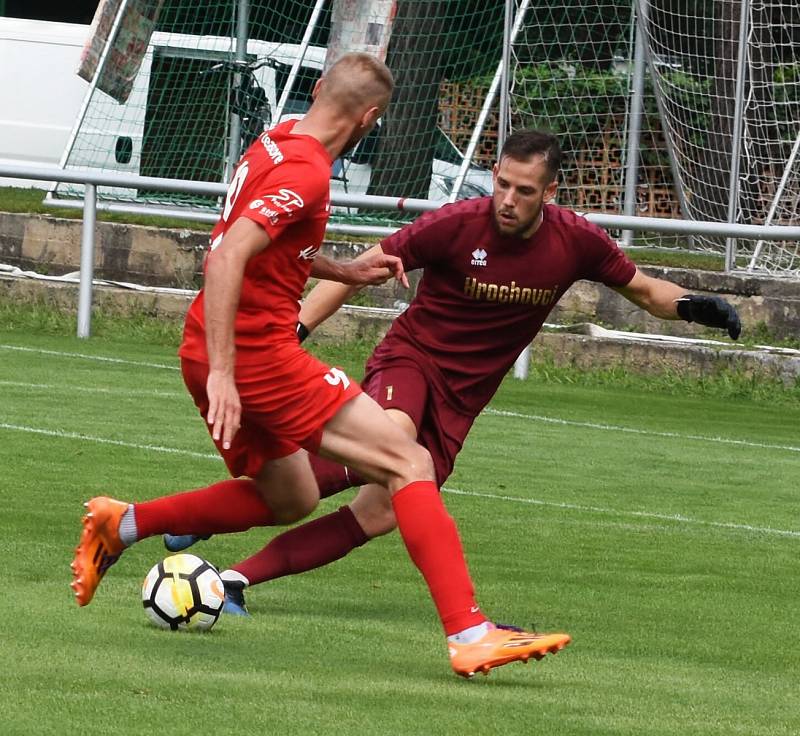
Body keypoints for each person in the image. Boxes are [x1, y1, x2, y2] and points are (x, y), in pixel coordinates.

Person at [70, 57, 571, 680]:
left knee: (292, 495)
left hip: (208, 343)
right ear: (371, 120)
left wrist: (344, 271)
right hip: (255, 355)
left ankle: (126, 522)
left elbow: (272, 246)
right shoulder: (309, 173)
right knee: (406, 461)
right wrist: (228, 373)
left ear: (316, 92)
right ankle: (470, 633)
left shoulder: (278, 139)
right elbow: (226, 256)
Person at [164, 128, 742, 633]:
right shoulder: (454, 224)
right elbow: (366, 267)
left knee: (382, 510)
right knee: (387, 445)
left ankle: (232, 580)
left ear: (550, 193)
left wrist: (694, 305)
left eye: (525, 191)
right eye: (503, 185)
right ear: (494, 175)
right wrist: (298, 326)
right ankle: (464, 625)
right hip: (411, 362)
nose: (509, 201)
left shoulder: (576, 241)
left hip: (462, 401)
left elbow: (645, 291)